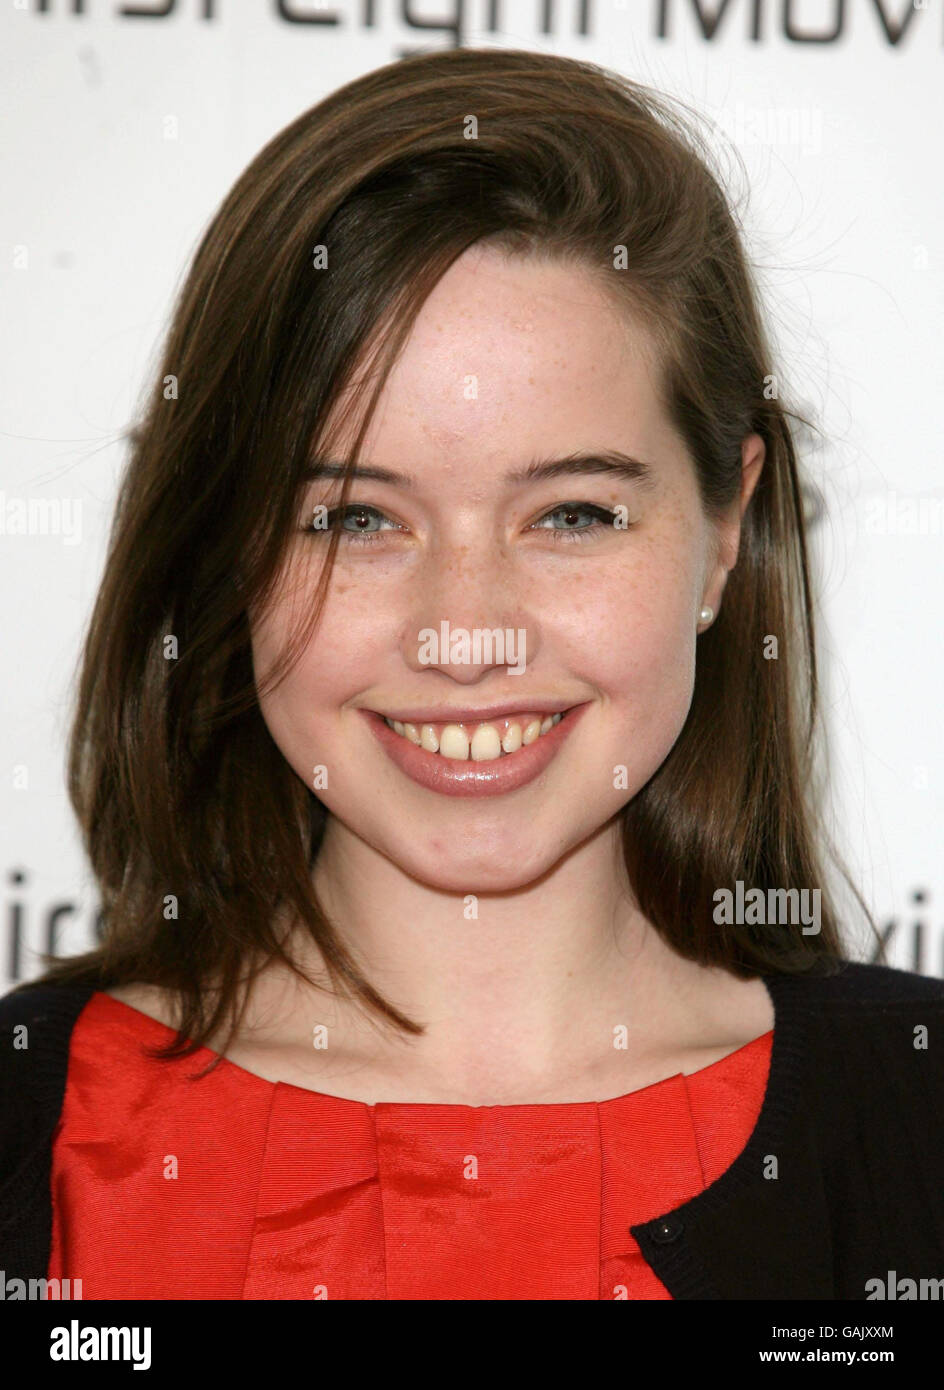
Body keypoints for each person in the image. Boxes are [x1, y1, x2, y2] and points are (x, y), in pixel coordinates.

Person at [2, 46, 942, 1303]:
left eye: (571, 515)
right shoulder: (33, 1130)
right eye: (351, 520)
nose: (464, 634)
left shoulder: (917, 1123)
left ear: (725, 531)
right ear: (226, 546)